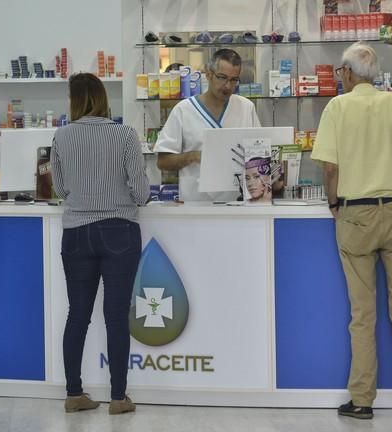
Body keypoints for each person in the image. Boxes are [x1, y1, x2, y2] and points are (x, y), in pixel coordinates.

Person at [311, 43, 392, 420]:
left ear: (348, 73)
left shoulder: (337, 107)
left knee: (362, 315)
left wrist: (334, 204)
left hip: (356, 218)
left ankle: (362, 400)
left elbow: (330, 169)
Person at [51, 73, 149, 415]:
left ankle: (74, 393)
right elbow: (142, 193)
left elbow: (61, 190)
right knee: (116, 316)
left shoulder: (61, 136)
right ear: (104, 97)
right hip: (119, 231)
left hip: (76, 232)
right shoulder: (124, 135)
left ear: (74, 100)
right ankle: (119, 398)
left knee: (77, 315)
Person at [154, 48, 261, 201]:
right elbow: (162, 161)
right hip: (196, 203)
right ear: (208, 74)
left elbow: (259, 153)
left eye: (233, 80)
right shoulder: (184, 110)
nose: (228, 86)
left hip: (237, 203)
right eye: (222, 77)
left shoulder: (246, 107)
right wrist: (193, 156)